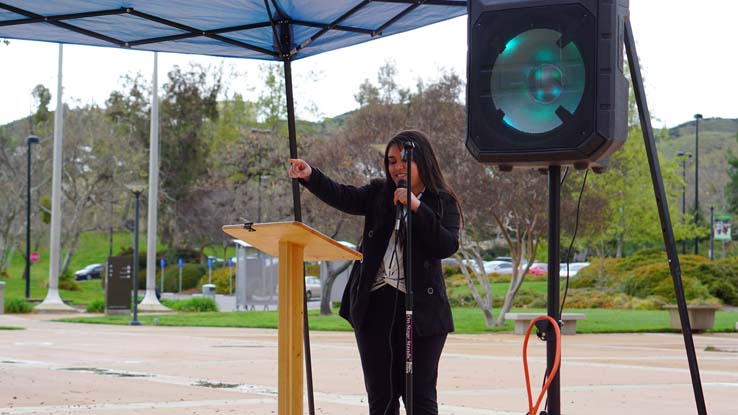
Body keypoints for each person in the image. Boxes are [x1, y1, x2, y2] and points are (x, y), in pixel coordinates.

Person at [288, 130, 462, 415]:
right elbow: (344, 195)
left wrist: (417, 207)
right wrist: (311, 176)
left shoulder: (442, 201)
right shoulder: (379, 193)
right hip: (374, 307)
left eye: (404, 161)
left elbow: (446, 244)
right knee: (381, 398)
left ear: (423, 161)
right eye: (391, 161)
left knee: (419, 398)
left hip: (422, 313)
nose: (397, 168)